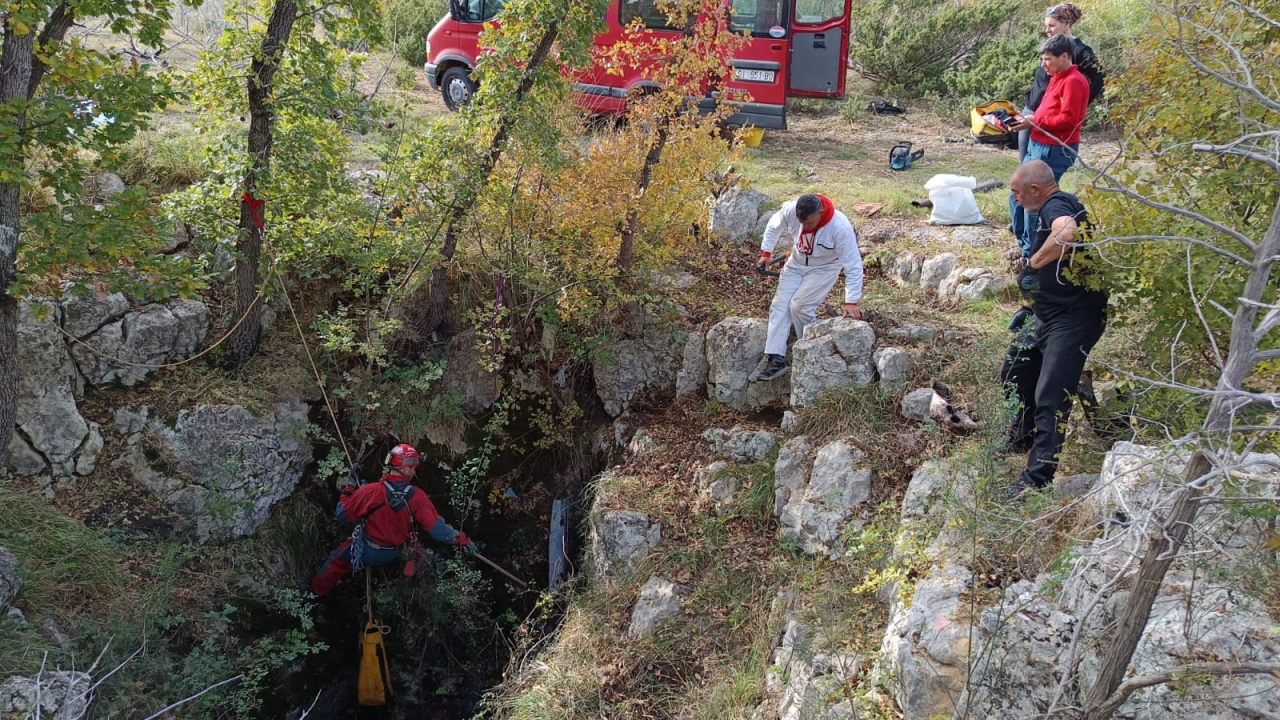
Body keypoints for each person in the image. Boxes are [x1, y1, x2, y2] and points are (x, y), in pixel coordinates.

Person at [999, 161, 1107, 497]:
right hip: (1046, 315)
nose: (1015, 199)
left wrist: (1032, 265)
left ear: (1035, 189)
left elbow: (1067, 233)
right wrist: (1029, 306)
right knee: (1015, 370)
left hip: (1073, 319)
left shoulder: (1057, 205)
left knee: (1051, 396)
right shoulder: (1046, 208)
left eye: (1017, 192)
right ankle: (1022, 436)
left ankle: (1037, 478)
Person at [311, 444, 476, 595]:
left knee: (336, 561)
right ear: (406, 468)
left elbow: (341, 515)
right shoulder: (418, 497)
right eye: (413, 468)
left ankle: (314, 593)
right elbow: (438, 531)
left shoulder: (371, 492)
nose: (414, 472)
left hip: (367, 551)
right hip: (393, 553)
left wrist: (351, 486)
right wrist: (463, 540)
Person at [755, 193, 864, 381]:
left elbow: (853, 265)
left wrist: (851, 301)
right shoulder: (790, 210)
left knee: (799, 306)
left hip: (824, 268)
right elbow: (773, 225)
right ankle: (776, 358)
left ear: (820, 212)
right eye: (802, 223)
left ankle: (807, 346)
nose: (805, 228)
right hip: (796, 263)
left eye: (810, 224)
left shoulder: (840, 227)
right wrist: (766, 251)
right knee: (780, 305)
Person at [1007, 33, 1092, 258]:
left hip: (1054, 148)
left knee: (1034, 200)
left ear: (1064, 56)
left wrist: (1035, 121)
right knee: (1016, 194)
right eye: (1042, 59)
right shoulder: (1056, 76)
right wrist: (1027, 121)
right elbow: (1048, 111)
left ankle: (1032, 253)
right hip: (1037, 143)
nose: (1044, 65)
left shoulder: (1074, 81)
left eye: (1048, 59)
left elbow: (1068, 120)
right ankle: (1023, 246)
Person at [1016, 3, 1105, 164]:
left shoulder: (1081, 50)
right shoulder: (1050, 46)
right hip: (1032, 107)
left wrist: (1078, 105)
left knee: (1040, 165)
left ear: (1066, 24)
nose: (1047, 30)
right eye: (1046, 26)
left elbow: (1100, 77)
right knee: (1025, 158)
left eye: (1052, 25)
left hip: (1051, 117)